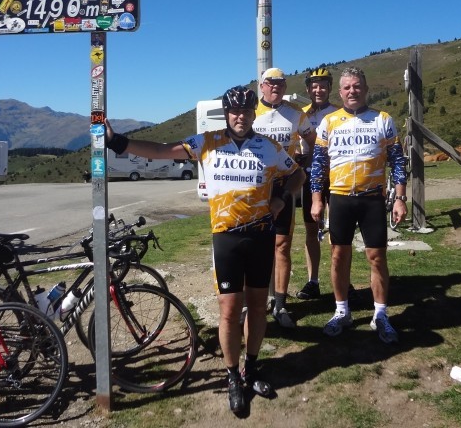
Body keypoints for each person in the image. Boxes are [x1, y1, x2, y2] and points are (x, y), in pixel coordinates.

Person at [104, 86, 303, 414]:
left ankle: (249, 370)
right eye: (234, 111)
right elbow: (163, 150)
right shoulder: (208, 142)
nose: (241, 116)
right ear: (227, 113)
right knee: (228, 311)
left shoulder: (269, 147)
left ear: (255, 113)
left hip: (261, 236)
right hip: (226, 238)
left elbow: (297, 173)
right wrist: (119, 142)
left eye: (246, 111)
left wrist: (282, 198)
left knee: (256, 308)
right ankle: (231, 376)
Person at [310, 67, 407, 343]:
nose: (352, 91)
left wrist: (399, 198)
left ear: (365, 89)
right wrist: (317, 200)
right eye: (347, 87)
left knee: (376, 257)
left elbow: (398, 161)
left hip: (371, 198)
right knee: (339, 257)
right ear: (340, 92)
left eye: (357, 86)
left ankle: (381, 315)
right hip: (339, 198)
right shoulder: (328, 122)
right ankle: (342, 312)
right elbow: (318, 166)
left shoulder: (382, 119)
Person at [253, 68, 315, 329]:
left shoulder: (295, 113)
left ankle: (279, 303)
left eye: (279, 83)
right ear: (261, 86)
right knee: (254, 247)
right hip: (256, 189)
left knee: (281, 247)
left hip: (283, 187)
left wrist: (307, 159)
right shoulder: (250, 113)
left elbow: (313, 140)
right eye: (270, 83)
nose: (275, 87)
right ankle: (254, 303)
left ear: (284, 85)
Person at [296, 67, 339, 301]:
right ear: (308, 89)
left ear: (330, 88)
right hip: (309, 177)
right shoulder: (300, 114)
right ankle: (313, 281)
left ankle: (342, 279)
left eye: (323, 85)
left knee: (337, 230)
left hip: (335, 178)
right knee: (311, 231)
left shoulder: (339, 112)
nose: (318, 89)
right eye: (314, 85)